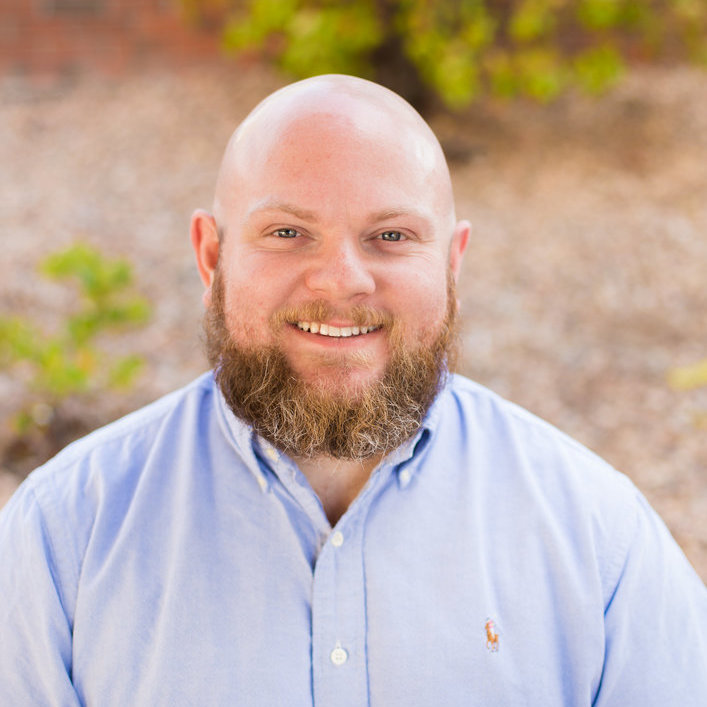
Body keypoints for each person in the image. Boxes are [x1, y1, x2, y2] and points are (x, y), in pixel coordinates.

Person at [0, 74, 705, 706]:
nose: (342, 280)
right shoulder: (64, 534)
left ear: (452, 263)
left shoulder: (596, 534)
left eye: (390, 235)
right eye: (287, 231)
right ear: (211, 256)